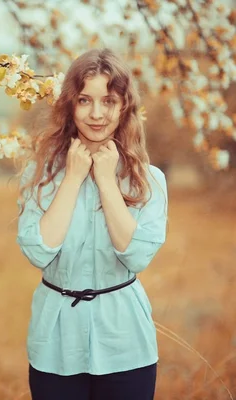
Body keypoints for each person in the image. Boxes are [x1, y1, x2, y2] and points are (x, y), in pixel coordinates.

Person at [16, 48, 169, 400]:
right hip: (56, 344)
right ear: (70, 105)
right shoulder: (40, 176)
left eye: (109, 101)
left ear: (124, 106)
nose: (97, 114)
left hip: (125, 342)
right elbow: (39, 251)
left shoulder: (150, 180)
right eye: (85, 100)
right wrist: (72, 178)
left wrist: (106, 180)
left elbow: (136, 256)